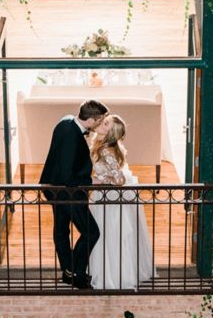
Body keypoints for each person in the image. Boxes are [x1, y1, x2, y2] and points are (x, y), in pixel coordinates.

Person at [39, 99, 108, 289]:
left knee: (61, 231)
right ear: (91, 120)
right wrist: (91, 181)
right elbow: (68, 175)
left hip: (53, 187)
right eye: (100, 120)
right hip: (67, 191)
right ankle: (76, 273)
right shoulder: (72, 135)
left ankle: (68, 272)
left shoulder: (66, 121)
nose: (101, 123)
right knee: (91, 232)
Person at [88, 114, 156, 290]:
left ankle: (113, 275)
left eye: (107, 122)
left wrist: (98, 180)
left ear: (110, 132)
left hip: (107, 198)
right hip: (103, 196)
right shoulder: (104, 146)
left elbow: (119, 179)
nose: (103, 121)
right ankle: (110, 271)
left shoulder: (105, 150)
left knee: (108, 234)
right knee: (106, 234)